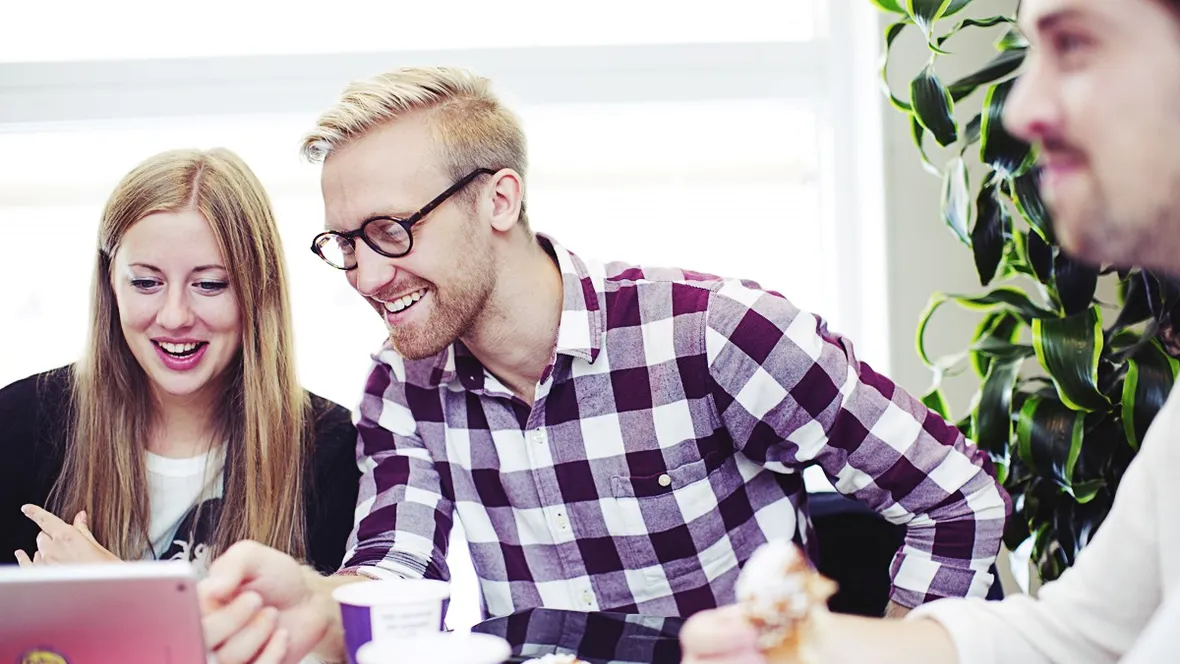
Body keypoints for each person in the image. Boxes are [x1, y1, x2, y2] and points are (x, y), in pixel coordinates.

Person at [196, 67, 1010, 664]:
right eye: (346, 244)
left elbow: (957, 499)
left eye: (392, 232)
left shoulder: (714, 336)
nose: (368, 277)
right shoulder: (402, 384)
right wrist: (319, 599)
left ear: (500, 200)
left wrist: (894, 653)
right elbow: (397, 564)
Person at [679, 0, 1180, 662]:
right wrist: (811, 647)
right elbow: (1079, 638)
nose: (1019, 110)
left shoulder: (723, 330)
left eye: (1075, 45)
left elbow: (960, 500)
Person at [0, 148, 360, 584]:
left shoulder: (329, 448)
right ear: (111, 283)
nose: (174, 316)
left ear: (257, 289)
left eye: (209, 284)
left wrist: (117, 587)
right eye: (146, 282)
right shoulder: (19, 422)